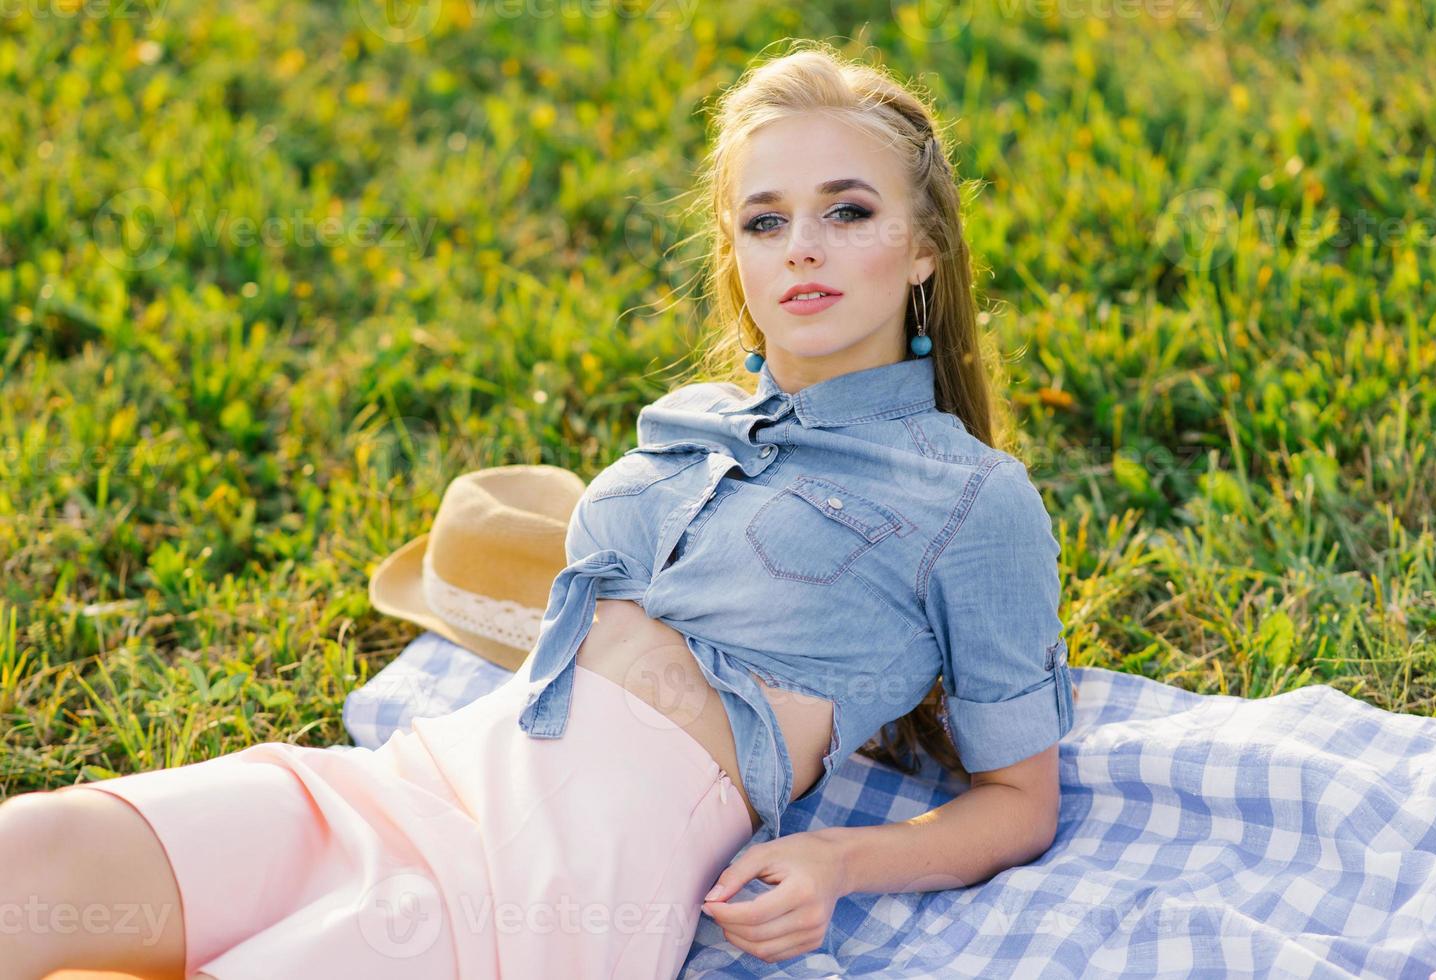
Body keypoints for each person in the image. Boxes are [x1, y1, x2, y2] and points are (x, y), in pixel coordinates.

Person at [0, 41, 1074, 979]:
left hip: (567, 877)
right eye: (764, 218)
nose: (801, 244)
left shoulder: (970, 497)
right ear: (734, 256)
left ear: (925, 246)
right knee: (31, 852)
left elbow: (1019, 798)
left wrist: (834, 861)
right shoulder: (692, 420)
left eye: (848, 210)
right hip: (421, 777)